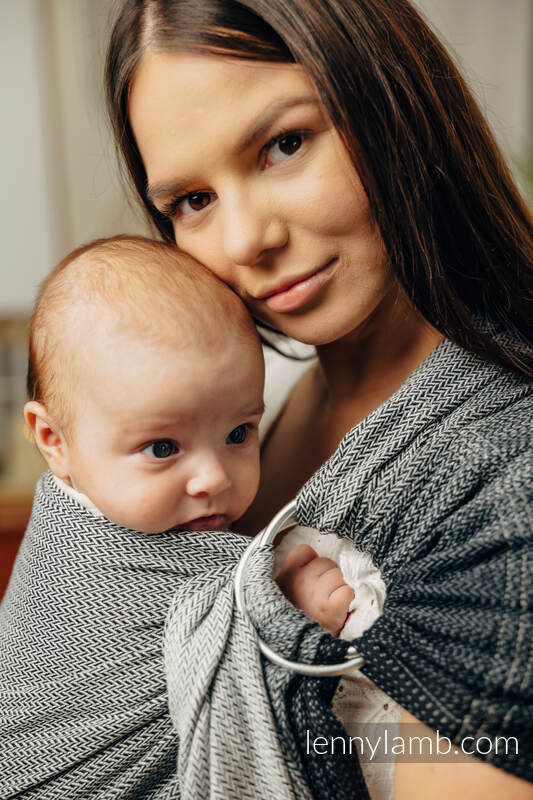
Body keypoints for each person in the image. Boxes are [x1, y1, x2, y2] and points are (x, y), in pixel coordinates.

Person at [105, 0, 533, 798]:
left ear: (394, 103)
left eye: (283, 145)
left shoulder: (503, 471)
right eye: (191, 201)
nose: (243, 242)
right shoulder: (253, 429)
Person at [1, 234, 371, 798]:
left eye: (238, 433)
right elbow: (232, 625)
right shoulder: (75, 560)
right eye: (162, 448)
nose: (215, 478)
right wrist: (284, 610)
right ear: (54, 441)